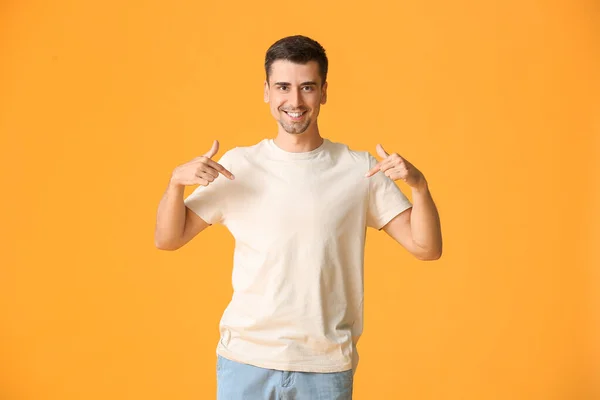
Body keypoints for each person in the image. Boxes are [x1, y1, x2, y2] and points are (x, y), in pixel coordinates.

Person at [154, 35, 442, 400]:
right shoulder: (239, 166)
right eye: (283, 87)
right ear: (267, 92)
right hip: (245, 361)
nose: (295, 101)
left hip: (324, 366)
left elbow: (426, 248)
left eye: (307, 87)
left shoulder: (359, 171)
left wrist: (419, 186)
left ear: (323, 92)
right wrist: (175, 183)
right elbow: (168, 238)